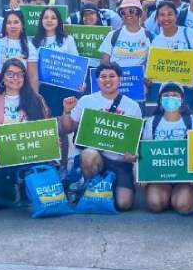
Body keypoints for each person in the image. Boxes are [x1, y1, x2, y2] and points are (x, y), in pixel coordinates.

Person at [61, 62, 142, 211]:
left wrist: (133, 156)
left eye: (112, 76)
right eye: (103, 76)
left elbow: (135, 141)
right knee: (89, 154)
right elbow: (67, 129)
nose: (107, 80)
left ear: (119, 79)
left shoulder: (132, 106)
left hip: (119, 161)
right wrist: (66, 111)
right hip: (93, 157)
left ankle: (106, 190)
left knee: (124, 205)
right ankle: (90, 190)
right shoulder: (86, 101)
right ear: (97, 80)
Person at [0, 59, 51, 208]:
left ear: (24, 77)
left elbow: (47, 129)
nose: (15, 78)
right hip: (1, 157)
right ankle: (13, 186)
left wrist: (50, 142)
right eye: (10, 74)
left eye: (19, 74)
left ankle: (25, 183)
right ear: (3, 77)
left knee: (34, 198)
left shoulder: (37, 99)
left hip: (31, 156)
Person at [141, 82, 193, 214]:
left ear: (182, 99)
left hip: (185, 178)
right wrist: (141, 174)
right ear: (160, 99)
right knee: (155, 205)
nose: (170, 98)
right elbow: (145, 151)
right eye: (166, 95)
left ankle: (188, 198)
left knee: (183, 206)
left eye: (175, 95)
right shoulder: (152, 122)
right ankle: (168, 195)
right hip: (159, 177)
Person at [150, 0, 193, 117]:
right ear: (157, 18)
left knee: (190, 120)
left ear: (176, 16)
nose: (166, 18)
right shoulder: (156, 41)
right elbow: (154, 68)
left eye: (170, 14)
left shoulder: (188, 33)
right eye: (162, 15)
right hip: (166, 91)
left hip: (187, 88)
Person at [28, 6, 79, 111]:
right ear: (41, 20)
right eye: (46, 17)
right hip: (42, 89)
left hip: (63, 90)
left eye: (53, 17)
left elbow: (76, 65)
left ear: (58, 21)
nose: (49, 20)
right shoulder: (33, 42)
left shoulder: (68, 40)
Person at [99, 0, 154, 68]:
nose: (127, 14)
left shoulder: (149, 35)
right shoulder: (112, 35)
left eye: (131, 11)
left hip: (139, 78)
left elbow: (152, 62)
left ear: (139, 13)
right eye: (123, 12)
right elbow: (104, 62)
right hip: (117, 78)